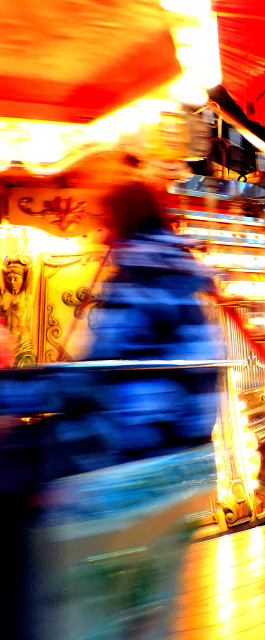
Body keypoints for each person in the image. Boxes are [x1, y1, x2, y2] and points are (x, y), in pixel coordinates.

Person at [0, 175, 224, 638]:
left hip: (129, 469)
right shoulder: (184, 281)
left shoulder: (136, 281)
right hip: (185, 466)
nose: (100, 232)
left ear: (120, 223)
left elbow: (92, 378)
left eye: (105, 221)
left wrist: (14, 392)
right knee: (146, 607)